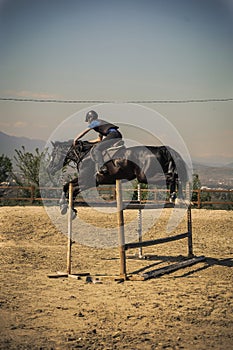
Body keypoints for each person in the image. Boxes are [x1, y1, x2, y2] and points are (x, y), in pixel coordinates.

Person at [73, 110, 122, 174]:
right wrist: (85, 142)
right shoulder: (101, 125)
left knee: (96, 149)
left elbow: (85, 132)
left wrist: (76, 139)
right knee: (99, 146)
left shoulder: (95, 122)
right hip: (116, 135)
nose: (88, 122)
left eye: (88, 120)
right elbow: (99, 140)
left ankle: (102, 166)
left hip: (113, 135)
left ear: (90, 118)